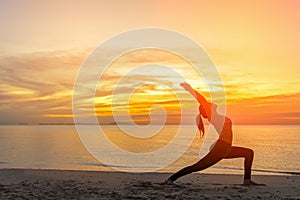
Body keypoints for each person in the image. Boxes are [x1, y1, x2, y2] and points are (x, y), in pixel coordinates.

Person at [165, 82, 263, 186]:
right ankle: (171, 179)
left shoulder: (217, 117)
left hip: (226, 147)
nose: (211, 103)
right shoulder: (213, 117)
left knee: (249, 153)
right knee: (197, 167)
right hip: (221, 148)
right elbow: (202, 100)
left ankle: (247, 181)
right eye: (209, 104)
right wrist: (189, 89)